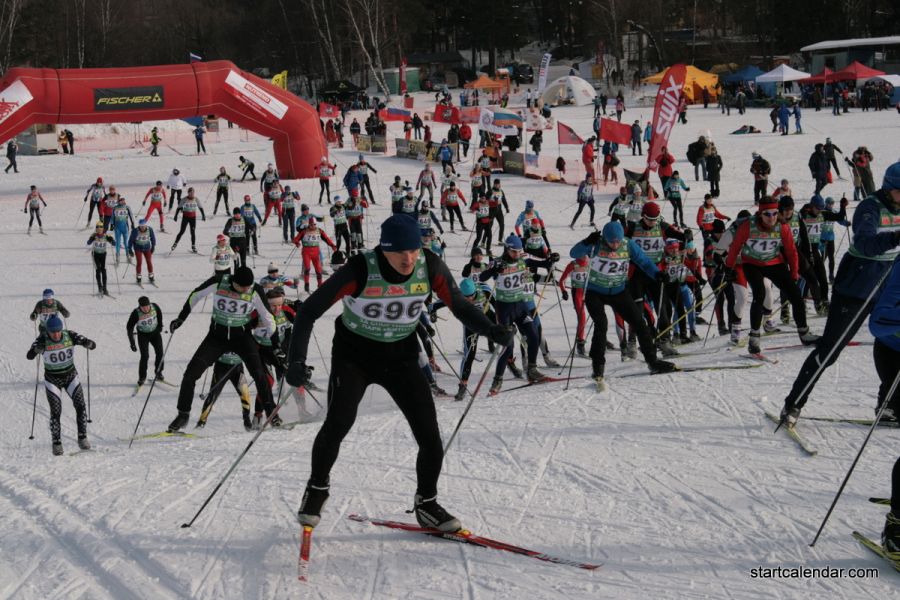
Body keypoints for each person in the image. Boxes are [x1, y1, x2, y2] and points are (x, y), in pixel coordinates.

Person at [286, 214, 513, 531]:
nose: (408, 258)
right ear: (384, 250)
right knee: (338, 422)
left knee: (430, 435)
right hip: (355, 356)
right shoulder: (361, 268)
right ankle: (317, 489)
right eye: (400, 252)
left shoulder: (429, 265)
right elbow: (308, 311)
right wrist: (295, 360)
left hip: (401, 356)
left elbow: (459, 304)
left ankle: (427, 504)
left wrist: (491, 329)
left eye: (414, 250)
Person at [779, 162, 900, 427]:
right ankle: (793, 403)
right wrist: (896, 237)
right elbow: (866, 244)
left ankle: (890, 406)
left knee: (893, 342)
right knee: (830, 350)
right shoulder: (871, 207)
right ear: (890, 188)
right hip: (857, 285)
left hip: (888, 286)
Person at [166, 266, 282, 432]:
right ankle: (183, 414)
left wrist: (276, 345)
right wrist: (181, 318)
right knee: (190, 374)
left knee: (259, 374)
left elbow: (268, 317)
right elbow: (196, 294)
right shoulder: (220, 281)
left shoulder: (254, 290)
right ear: (235, 282)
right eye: (243, 287)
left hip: (241, 337)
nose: (246, 290)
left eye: (248, 287)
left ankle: (271, 413)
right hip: (216, 337)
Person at [570, 222, 677, 388]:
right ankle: (598, 367)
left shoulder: (628, 244)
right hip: (595, 292)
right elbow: (573, 253)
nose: (615, 245)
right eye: (612, 242)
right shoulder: (596, 244)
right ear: (605, 238)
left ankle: (652, 361)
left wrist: (657, 274)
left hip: (618, 292)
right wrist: (586, 242)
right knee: (601, 324)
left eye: (617, 241)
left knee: (640, 323)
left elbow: (643, 261)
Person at [724, 197, 819, 357]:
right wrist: (728, 268)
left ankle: (804, 333)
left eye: (775, 213)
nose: (771, 217)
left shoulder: (782, 227)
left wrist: (794, 272)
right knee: (759, 293)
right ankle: (754, 338)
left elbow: (791, 251)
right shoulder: (748, 226)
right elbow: (735, 247)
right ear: (760, 214)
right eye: (767, 214)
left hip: (774, 262)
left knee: (795, 295)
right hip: (752, 263)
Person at [479, 234, 557, 393]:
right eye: (514, 251)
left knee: (534, 335)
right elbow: (482, 277)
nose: (517, 254)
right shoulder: (497, 262)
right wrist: (494, 269)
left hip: (520, 306)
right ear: (507, 249)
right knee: (507, 345)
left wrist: (552, 258)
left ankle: (532, 370)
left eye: (519, 251)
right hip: (504, 308)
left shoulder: (524, 257)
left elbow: (543, 261)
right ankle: (497, 379)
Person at [26, 315, 96, 455]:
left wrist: (88, 343)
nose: (56, 334)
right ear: (48, 331)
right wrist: (36, 350)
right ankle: (56, 442)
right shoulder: (42, 339)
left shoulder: (69, 334)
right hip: (52, 380)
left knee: (81, 406)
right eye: (53, 332)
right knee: (56, 411)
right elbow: (29, 355)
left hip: (70, 376)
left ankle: (82, 438)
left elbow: (92, 344)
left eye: (58, 331)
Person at [196, 353, 253, 430]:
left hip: (237, 368)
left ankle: (247, 422)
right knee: (213, 395)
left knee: (245, 393)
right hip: (221, 367)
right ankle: (201, 423)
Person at [126, 296, 165, 388]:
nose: (146, 308)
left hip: (155, 333)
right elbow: (129, 328)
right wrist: (132, 342)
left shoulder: (154, 306)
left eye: (147, 306)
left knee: (160, 353)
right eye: (143, 307)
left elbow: (159, 314)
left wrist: (160, 326)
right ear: (140, 306)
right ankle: (142, 377)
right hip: (143, 335)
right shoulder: (136, 313)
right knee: (145, 356)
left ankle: (158, 372)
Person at [292, 217, 337, 292]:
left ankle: (320, 285)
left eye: (314, 225)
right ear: (309, 225)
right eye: (311, 225)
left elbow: (326, 239)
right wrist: (297, 243)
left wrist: (332, 245)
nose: (313, 226)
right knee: (307, 268)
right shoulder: (304, 231)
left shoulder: (319, 231)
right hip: (306, 252)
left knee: (318, 270)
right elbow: (295, 239)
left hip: (316, 253)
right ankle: (306, 284)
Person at [558, 255, 590, 356]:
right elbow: (561, 280)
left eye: (587, 255)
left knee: (598, 316)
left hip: (590, 293)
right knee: (582, 318)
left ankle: (602, 341)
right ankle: (580, 343)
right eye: (583, 255)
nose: (585, 257)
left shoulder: (591, 263)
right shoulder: (573, 264)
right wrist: (564, 291)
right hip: (577, 294)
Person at [171, 187, 206, 253]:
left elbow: (200, 207)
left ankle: (193, 246)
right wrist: (175, 216)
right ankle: (175, 244)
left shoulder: (196, 199)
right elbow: (179, 208)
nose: (191, 194)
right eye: (190, 193)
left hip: (193, 218)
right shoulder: (184, 199)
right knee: (182, 231)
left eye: (193, 192)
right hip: (185, 217)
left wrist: (203, 215)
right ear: (188, 193)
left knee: (192, 232)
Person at [86, 222, 115, 296]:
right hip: (95, 255)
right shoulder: (94, 235)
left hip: (103, 255)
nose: (99, 230)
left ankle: (105, 288)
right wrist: (90, 240)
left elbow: (113, 242)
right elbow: (88, 243)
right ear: (96, 229)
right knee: (98, 270)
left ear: (103, 229)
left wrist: (112, 241)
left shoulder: (106, 235)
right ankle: (100, 286)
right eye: (98, 228)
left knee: (104, 270)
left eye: (100, 228)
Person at [128, 219, 156, 285]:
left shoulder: (150, 229)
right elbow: (130, 241)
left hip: (147, 248)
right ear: (139, 226)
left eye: (144, 226)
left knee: (149, 261)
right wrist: (130, 249)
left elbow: (153, 238)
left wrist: (153, 246)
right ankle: (138, 277)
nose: (143, 228)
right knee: (139, 262)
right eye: (141, 226)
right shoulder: (135, 231)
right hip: (138, 248)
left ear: (146, 225)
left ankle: (151, 276)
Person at [111, 196, 135, 264]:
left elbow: (131, 216)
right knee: (118, 242)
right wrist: (112, 224)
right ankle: (117, 257)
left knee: (126, 242)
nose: (123, 202)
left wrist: (132, 223)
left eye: (124, 201)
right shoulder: (115, 208)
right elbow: (112, 216)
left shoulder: (127, 207)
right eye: (121, 201)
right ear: (119, 201)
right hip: (117, 228)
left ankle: (128, 256)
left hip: (125, 227)